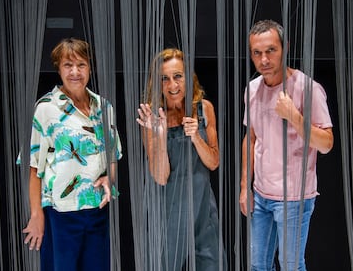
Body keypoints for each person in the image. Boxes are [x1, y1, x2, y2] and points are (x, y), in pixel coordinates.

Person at [239, 20, 334, 271]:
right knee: (258, 265)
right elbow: (251, 137)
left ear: (285, 48)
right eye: (257, 53)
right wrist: (244, 186)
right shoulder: (252, 89)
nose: (264, 59)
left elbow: (326, 143)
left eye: (271, 50)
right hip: (261, 195)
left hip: (294, 198)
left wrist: (294, 116)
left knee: (291, 265)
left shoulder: (307, 88)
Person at [22, 38, 122, 271]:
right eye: (68, 65)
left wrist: (111, 178)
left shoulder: (103, 107)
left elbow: (113, 155)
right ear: (59, 68)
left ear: (89, 67)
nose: (75, 72)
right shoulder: (46, 109)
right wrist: (36, 215)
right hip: (61, 214)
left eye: (81, 64)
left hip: (96, 211)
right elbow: (35, 167)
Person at [136, 48, 226, 270]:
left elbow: (214, 162)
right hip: (168, 215)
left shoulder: (204, 109)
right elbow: (160, 176)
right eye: (164, 79)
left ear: (188, 77)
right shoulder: (153, 117)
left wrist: (196, 136)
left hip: (203, 211)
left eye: (177, 76)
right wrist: (160, 136)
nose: (172, 85)